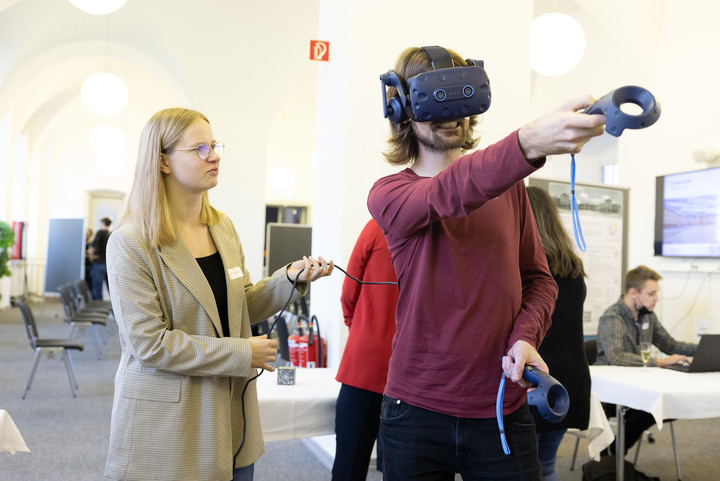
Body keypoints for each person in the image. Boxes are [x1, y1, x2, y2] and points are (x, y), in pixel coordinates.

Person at [367, 45, 606, 480]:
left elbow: (540, 281)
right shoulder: (389, 194)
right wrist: (527, 142)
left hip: (502, 406)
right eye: (434, 97)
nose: (451, 111)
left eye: (461, 95)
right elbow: (446, 194)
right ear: (401, 106)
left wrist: (525, 336)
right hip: (415, 412)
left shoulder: (509, 191)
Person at [103, 107, 334, 481]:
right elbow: (149, 344)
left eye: (214, 145)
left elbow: (240, 303)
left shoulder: (221, 227)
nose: (214, 155)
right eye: (199, 148)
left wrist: (289, 278)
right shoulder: (130, 242)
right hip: (169, 422)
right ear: (162, 161)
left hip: (231, 411)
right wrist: (244, 351)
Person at [595, 265, 696, 455]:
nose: (656, 299)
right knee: (647, 410)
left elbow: (671, 345)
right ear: (634, 293)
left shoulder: (648, 316)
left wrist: (704, 348)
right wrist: (660, 362)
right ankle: (611, 455)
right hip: (609, 391)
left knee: (662, 406)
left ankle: (612, 454)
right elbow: (617, 356)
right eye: (652, 293)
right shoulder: (612, 318)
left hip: (639, 384)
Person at [526, 186, 591, 481]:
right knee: (546, 466)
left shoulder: (525, 270)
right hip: (570, 380)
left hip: (536, 381)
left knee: (522, 469)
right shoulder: (573, 268)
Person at [332, 218, 399, 481]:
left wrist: (360, 328)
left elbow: (349, 291)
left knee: (350, 465)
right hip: (414, 372)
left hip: (365, 364)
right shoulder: (440, 231)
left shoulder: (378, 226)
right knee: (403, 470)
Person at [89, 217, 112, 300]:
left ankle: (97, 308)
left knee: (97, 288)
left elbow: (92, 247)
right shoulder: (111, 233)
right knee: (111, 288)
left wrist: (91, 258)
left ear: (103, 223)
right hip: (108, 264)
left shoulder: (100, 232)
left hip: (99, 263)